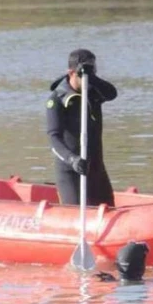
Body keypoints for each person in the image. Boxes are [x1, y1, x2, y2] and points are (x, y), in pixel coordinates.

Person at [46, 49, 118, 206]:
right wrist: (73, 160)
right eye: (82, 75)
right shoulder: (58, 99)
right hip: (71, 170)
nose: (86, 80)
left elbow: (112, 94)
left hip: (96, 169)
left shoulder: (94, 93)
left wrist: (91, 77)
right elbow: (53, 137)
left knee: (109, 211)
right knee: (76, 213)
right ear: (71, 72)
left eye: (93, 71)